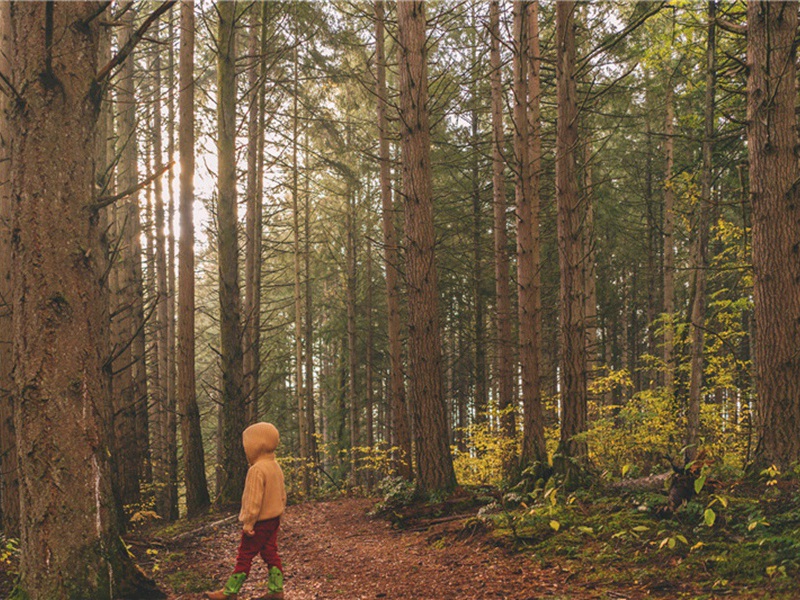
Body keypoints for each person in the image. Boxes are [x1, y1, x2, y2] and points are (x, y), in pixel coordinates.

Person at [205, 422, 287, 600]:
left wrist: (249, 522)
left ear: (256, 445)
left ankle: (229, 593)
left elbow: (253, 500)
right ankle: (276, 590)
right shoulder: (275, 466)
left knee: (245, 555)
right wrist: (280, 513)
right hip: (273, 520)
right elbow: (282, 495)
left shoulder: (256, 470)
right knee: (269, 552)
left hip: (259, 522)